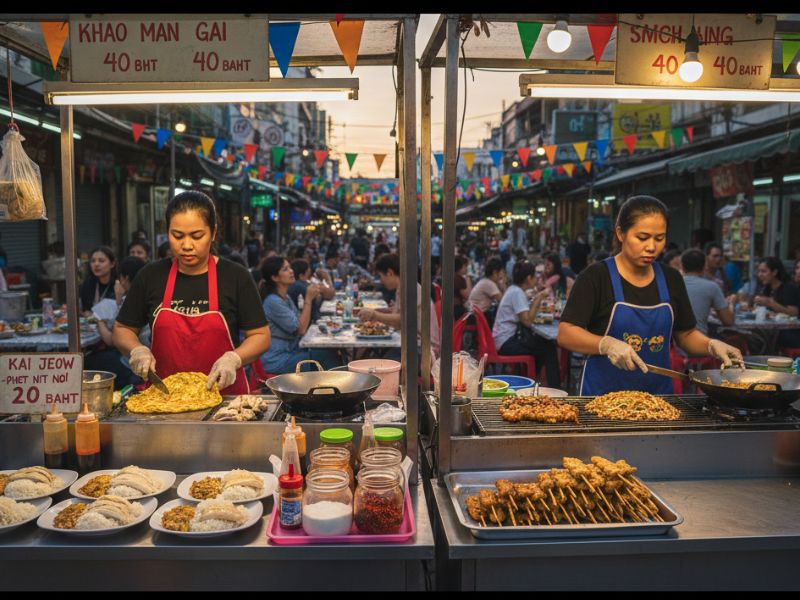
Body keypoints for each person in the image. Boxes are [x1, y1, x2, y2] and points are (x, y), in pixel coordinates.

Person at [557, 195, 743, 396]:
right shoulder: (596, 277)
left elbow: (686, 335)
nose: (652, 247)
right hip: (601, 396)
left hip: (657, 396)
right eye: (642, 238)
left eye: (659, 238)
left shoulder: (671, 278)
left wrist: (711, 345)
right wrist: (606, 344)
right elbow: (566, 333)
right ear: (621, 233)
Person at [113, 191, 270, 394]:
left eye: (197, 236)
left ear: (213, 233)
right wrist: (137, 349)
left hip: (225, 402)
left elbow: (261, 335)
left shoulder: (235, 276)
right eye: (177, 236)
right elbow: (122, 328)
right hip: (164, 399)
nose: (187, 246)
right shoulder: (151, 275)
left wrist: (234, 358)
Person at [259, 256, 338, 373]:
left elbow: (300, 324)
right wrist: (308, 299)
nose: (291, 271)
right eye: (285, 269)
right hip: (278, 360)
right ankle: (335, 388)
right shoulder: (273, 302)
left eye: (290, 267)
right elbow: (300, 329)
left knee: (329, 350)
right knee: (326, 356)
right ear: (275, 277)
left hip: (292, 351)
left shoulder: (286, 298)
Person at [491, 261, 562, 387]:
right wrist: (539, 297)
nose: (536, 279)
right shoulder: (517, 293)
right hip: (505, 343)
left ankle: (535, 380)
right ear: (529, 278)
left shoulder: (514, 290)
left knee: (542, 343)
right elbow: (528, 321)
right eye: (535, 277)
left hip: (504, 339)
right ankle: (555, 388)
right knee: (549, 347)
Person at [358, 252, 441, 358]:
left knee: (381, 365)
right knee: (372, 355)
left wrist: (374, 314)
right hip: (411, 342)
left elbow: (401, 321)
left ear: (390, 273)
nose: (381, 281)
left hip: (424, 350)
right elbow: (399, 314)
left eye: (381, 276)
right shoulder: (403, 287)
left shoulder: (409, 288)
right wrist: (379, 311)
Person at [87, 256, 147, 390]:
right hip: (143, 359)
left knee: (89, 361)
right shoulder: (148, 296)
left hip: (132, 364)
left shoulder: (131, 300)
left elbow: (111, 339)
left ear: (125, 279)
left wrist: (99, 320)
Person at [681, 249, 734, 335]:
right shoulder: (711, 287)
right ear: (704, 267)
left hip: (671, 343)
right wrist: (732, 303)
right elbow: (728, 321)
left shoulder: (670, 285)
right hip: (698, 342)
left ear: (682, 267)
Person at [288, 258, 335, 324]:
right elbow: (330, 294)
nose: (310, 270)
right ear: (301, 275)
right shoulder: (302, 285)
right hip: (310, 323)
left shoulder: (296, 284)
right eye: (308, 269)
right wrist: (328, 279)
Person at [80, 246, 118, 315]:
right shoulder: (87, 284)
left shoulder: (118, 284)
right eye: (93, 261)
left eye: (101, 261)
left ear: (112, 264)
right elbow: (85, 309)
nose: (96, 264)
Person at [453, 255, 472, 320]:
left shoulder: (454, 276)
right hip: (456, 309)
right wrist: (468, 277)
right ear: (460, 267)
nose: (466, 268)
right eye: (465, 266)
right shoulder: (458, 279)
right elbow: (467, 296)